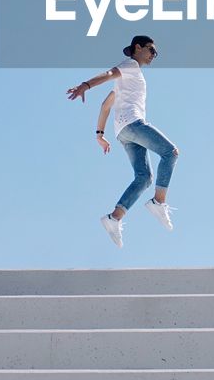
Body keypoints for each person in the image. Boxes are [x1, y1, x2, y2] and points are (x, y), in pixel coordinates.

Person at [66, 34, 180, 247]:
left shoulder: (125, 82)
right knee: (170, 152)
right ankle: (159, 201)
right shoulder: (130, 66)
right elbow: (109, 73)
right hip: (133, 124)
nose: (154, 55)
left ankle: (114, 218)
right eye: (152, 50)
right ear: (138, 48)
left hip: (123, 134)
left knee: (144, 177)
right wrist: (85, 85)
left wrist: (99, 134)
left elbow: (105, 106)